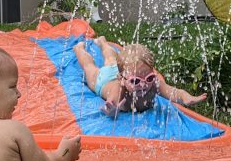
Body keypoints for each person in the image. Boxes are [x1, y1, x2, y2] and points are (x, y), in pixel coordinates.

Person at [73, 36, 207, 117]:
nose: (143, 84)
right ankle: (79, 49)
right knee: (89, 67)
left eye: (149, 78)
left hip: (125, 72)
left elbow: (173, 92)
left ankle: (103, 43)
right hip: (105, 79)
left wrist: (186, 98)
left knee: (111, 59)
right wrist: (112, 110)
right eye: (136, 81)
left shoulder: (154, 85)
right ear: (122, 79)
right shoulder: (118, 92)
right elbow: (111, 108)